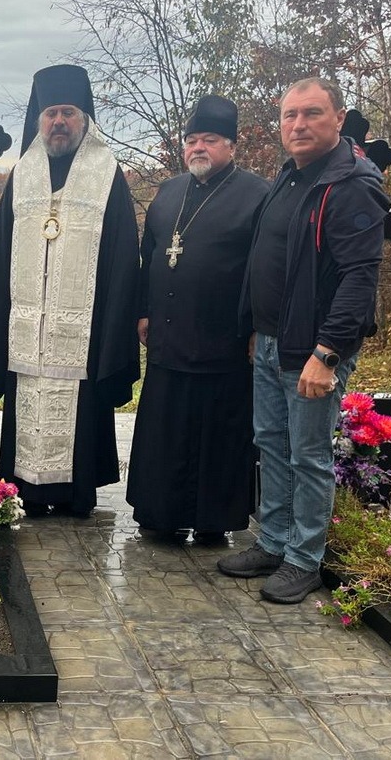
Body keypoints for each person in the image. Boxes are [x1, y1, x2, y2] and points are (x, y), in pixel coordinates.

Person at [217, 77, 390, 604]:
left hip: (313, 351)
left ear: (339, 118)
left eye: (312, 113)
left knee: (308, 454)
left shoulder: (353, 183)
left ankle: (303, 558)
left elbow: (361, 277)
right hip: (271, 342)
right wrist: (254, 328)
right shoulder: (291, 177)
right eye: (290, 115)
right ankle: (273, 541)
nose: (298, 124)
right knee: (271, 445)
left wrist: (327, 354)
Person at [0, 64, 141, 518]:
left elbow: (124, 256)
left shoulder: (107, 174)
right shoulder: (22, 174)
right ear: (38, 120)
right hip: (27, 327)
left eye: (67, 113)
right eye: (50, 114)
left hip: (83, 331)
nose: (58, 122)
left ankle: (75, 494)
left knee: (78, 410)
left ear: (83, 119)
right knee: (27, 400)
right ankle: (23, 489)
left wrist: (114, 324)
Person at [126, 96, 270, 541]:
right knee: (165, 432)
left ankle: (213, 522)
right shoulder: (170, 191)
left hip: (223, 342)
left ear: (230, 145)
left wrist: (254, 327)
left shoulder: (257, 194)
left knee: (219, 437)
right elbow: (150, 256)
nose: (198, 148)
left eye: (209, 139)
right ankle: (160, 515)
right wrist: (144, 311)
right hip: (168, 339)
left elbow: (262, 268)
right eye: (191, 140)